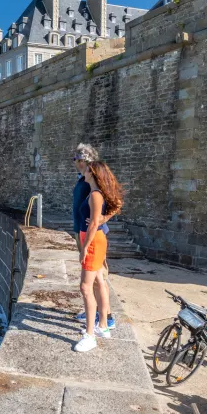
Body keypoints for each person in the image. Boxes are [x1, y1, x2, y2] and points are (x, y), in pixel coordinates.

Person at [74, 160, 124, 353]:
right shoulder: (96, 193)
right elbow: (101, 217)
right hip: (95, 239)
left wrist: (84, 247)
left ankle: (90, 336)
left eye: (86, 169)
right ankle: (102, 326)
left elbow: (93, 224)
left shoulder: (95, 194)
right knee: (98, 282)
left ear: (92, 173)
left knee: (85, 287)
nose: (83, 171)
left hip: (93, 241)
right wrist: (104, 218)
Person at [72, 144, 115, 330]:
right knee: (94, 278)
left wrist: (103, 218)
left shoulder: (95, 181)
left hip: (94, 233)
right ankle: (96, 312)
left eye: (78, 160)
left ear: (86, 161)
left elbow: (116, 202)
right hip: (81, 229)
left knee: (98, 278)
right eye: (76, 160)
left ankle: (107, 318)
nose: (76, 163)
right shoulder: (83, 179)